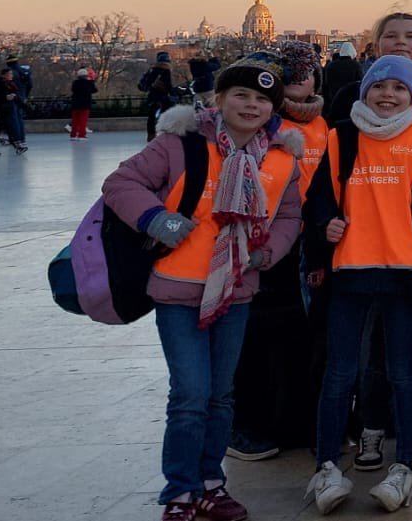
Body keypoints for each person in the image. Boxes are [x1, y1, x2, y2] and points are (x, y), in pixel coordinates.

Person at [101, 54, 305, 521]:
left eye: (262, 99)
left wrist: (268, 251)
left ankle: (211, 482)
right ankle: (181, 489)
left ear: (275, 108)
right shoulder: (182, 144)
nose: (251, 106)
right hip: (178, 286)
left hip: (236, 287)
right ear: (220, 99)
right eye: (241, 95)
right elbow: (121, 182)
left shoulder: (281, 158)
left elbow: (290, 214)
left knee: (220, 394)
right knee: (190, 394)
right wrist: (157, 219)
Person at [301, 55, 412, 515]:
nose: (388, 95)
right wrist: (324, 224)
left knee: (403, 371)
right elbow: (320, 198)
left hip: (404, 271)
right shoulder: (342, 136)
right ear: (365, 91)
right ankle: (326, 464)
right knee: (341, 372)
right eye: (379, 87)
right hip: (352, 268)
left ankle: (405, 463)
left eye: (398, 89)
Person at [227, 41, 328, 465]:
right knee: (254, 337)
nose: (301, 76)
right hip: (260, 242)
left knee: (298, 336)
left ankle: (295, 420)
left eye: (308, 70)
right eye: (291, 70)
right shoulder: (261, 123)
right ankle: (248, 423)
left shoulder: (324, 125)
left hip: (305, 240)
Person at [142, 53, 179, 142]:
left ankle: (150, 135)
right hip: (163, 97)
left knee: (151, 117)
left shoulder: (152, 70)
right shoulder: (166, 71)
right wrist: (174, 93)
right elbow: (168, 85)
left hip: (152, 97)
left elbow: (145, 83)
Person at [70, 67, 98, 141]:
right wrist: (92, 81)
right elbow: (94, 90)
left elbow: (73, 90)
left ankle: (73, 135)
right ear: (86, 75)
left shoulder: (75, 83)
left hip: (75, 104)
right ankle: (82, 135)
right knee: (83, 121)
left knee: (75, 121)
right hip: (85, 104)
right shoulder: (89, 83)